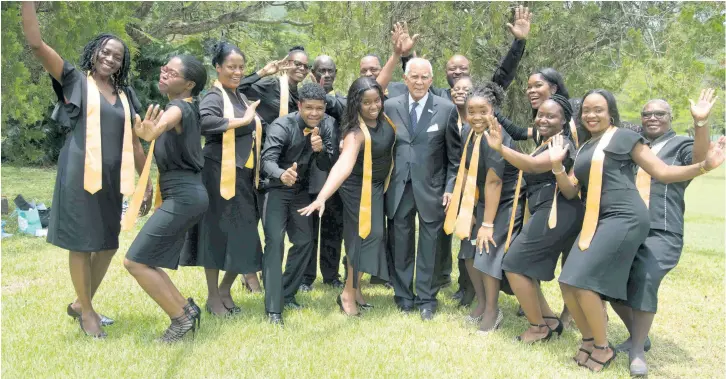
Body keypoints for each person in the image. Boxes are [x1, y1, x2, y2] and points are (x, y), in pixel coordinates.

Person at [548, 89, 725, 372]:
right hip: (597, 220)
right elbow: (571, 191)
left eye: (599, 110)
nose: (592, 115)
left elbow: (663, 172)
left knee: (582, 281)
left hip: (625, 218)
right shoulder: (584, 147)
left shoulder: (625, 137)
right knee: (568, 281)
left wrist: (703, 166)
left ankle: (605, 348)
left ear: (611, 113)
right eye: (587, 111)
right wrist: (556, 166)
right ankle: (590, 340)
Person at [21, 2, 153, 338]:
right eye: (105, 52)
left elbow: (136, 142)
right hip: (79, 171)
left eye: (117, 57)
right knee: (81, 243)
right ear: (94, 52)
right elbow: (36, 44)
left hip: (113, 177)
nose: (110, 59)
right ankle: (88, 312)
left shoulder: (125, 94)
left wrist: (146, 181)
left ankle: (82, 303)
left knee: (107, 243)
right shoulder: (74, 80)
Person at [610, 90, 716, 376]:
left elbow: (699, 159)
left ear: (670, 119)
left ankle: (636, 352)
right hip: (627, 225)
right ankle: (639, 335)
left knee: (645, 278)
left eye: (660, 114)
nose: (652, 118)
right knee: (609, 280)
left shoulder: (680, 144)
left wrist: (701, 123)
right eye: (647, 114)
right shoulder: (634, 144)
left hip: (662, 228)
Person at [484, 95, 585, 342]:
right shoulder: (547, 141)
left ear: (564, 121)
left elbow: (531, 165)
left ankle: (538, 327)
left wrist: (500, 148)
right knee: (522, 266)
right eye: (540, 114)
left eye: (551, 116)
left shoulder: (561, 143)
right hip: (549, 209)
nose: (543, 119)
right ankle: (549, 320)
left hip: (557, 210)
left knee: (514, 265)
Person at [123, 55, 209, 342]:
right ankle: (186, 309)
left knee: (135, 262)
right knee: (147, 259)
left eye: (171, 73)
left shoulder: (179, 107)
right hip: (184, 193)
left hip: (184, 195)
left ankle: (180, 319)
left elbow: (168, 120)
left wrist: (154, 130)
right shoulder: (187, 106)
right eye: (164, 69)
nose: (164, 74)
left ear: (188, 84)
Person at [180, 42, 264, 316]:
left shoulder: (238, 96)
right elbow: (204, 123)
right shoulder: (214, 96)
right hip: (218, 175)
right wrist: (242, 122)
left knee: (245, 235)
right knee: (216, 235)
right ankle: (213, 295)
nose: (237, 72)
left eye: (241, 67)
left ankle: (227, 288)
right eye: (231, 67)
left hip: (244, 176)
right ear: (218, 68)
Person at [299, 76, 396, 315]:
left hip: (375, 186)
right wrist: (321, 197)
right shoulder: (355, 133)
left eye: (377, 101)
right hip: (357, 188)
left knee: (369, 237)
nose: (373, 107)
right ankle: (347, 294)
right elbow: (343, 165)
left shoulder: (381, 118)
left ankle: (355, 289)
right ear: (356, 105)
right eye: (367, 103)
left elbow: (378, 81)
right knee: (364, 237)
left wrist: (396, 56)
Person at [384, 58, 461, 321]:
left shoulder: (446, 108)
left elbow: (454, 157)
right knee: (401, 243)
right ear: (404, 79)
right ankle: (404, 296)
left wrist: (450, 187)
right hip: (399, 188)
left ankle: (427, 299)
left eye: (424, 77)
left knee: (430, 247)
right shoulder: (390, 107)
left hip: (432, 190)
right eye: (414, 77)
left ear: (431, 80)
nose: (419, 82)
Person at [259, 83, 336, 326]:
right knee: (275, 244)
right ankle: (273, 309)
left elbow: (326, 165)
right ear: (299, 105)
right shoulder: (282, 126)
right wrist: (281, 174)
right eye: (309, 108)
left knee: (304, 241)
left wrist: (321, 150)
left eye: (319, 109)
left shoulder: (327, 125)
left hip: (301, 191)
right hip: (275, 189)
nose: (314, 113)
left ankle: (287, 292)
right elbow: (266, 160)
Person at [444, 83, 510, 330]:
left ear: (493, 110)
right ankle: (482, 303)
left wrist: (487, 224)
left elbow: (494, 181)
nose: (477, 116)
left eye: (483, 111)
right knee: (468, 250)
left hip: (502, 201)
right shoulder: (468, 133)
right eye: (472, 111)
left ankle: (493, 311)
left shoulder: (497, 136)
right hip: (478, 198)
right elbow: (469, 171)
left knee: (485, 252)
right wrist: (469, 211)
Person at [301, 55, 345, 291]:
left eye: (330, 71)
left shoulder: (341, 103)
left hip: (333, 177)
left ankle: (331, 275)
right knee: (307, 232)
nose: (326, 75)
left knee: (333, 230)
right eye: (321, 71)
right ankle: (306, 277)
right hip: (307, 177)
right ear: (312, 72)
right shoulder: (302, 99)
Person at [239, 46, 308, 126]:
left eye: (306, 66)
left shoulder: (299, 95)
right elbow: (238, 88)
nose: (302, 68)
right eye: (297, 64)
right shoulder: (271, 84)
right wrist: (263, 72)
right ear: (286, 63)